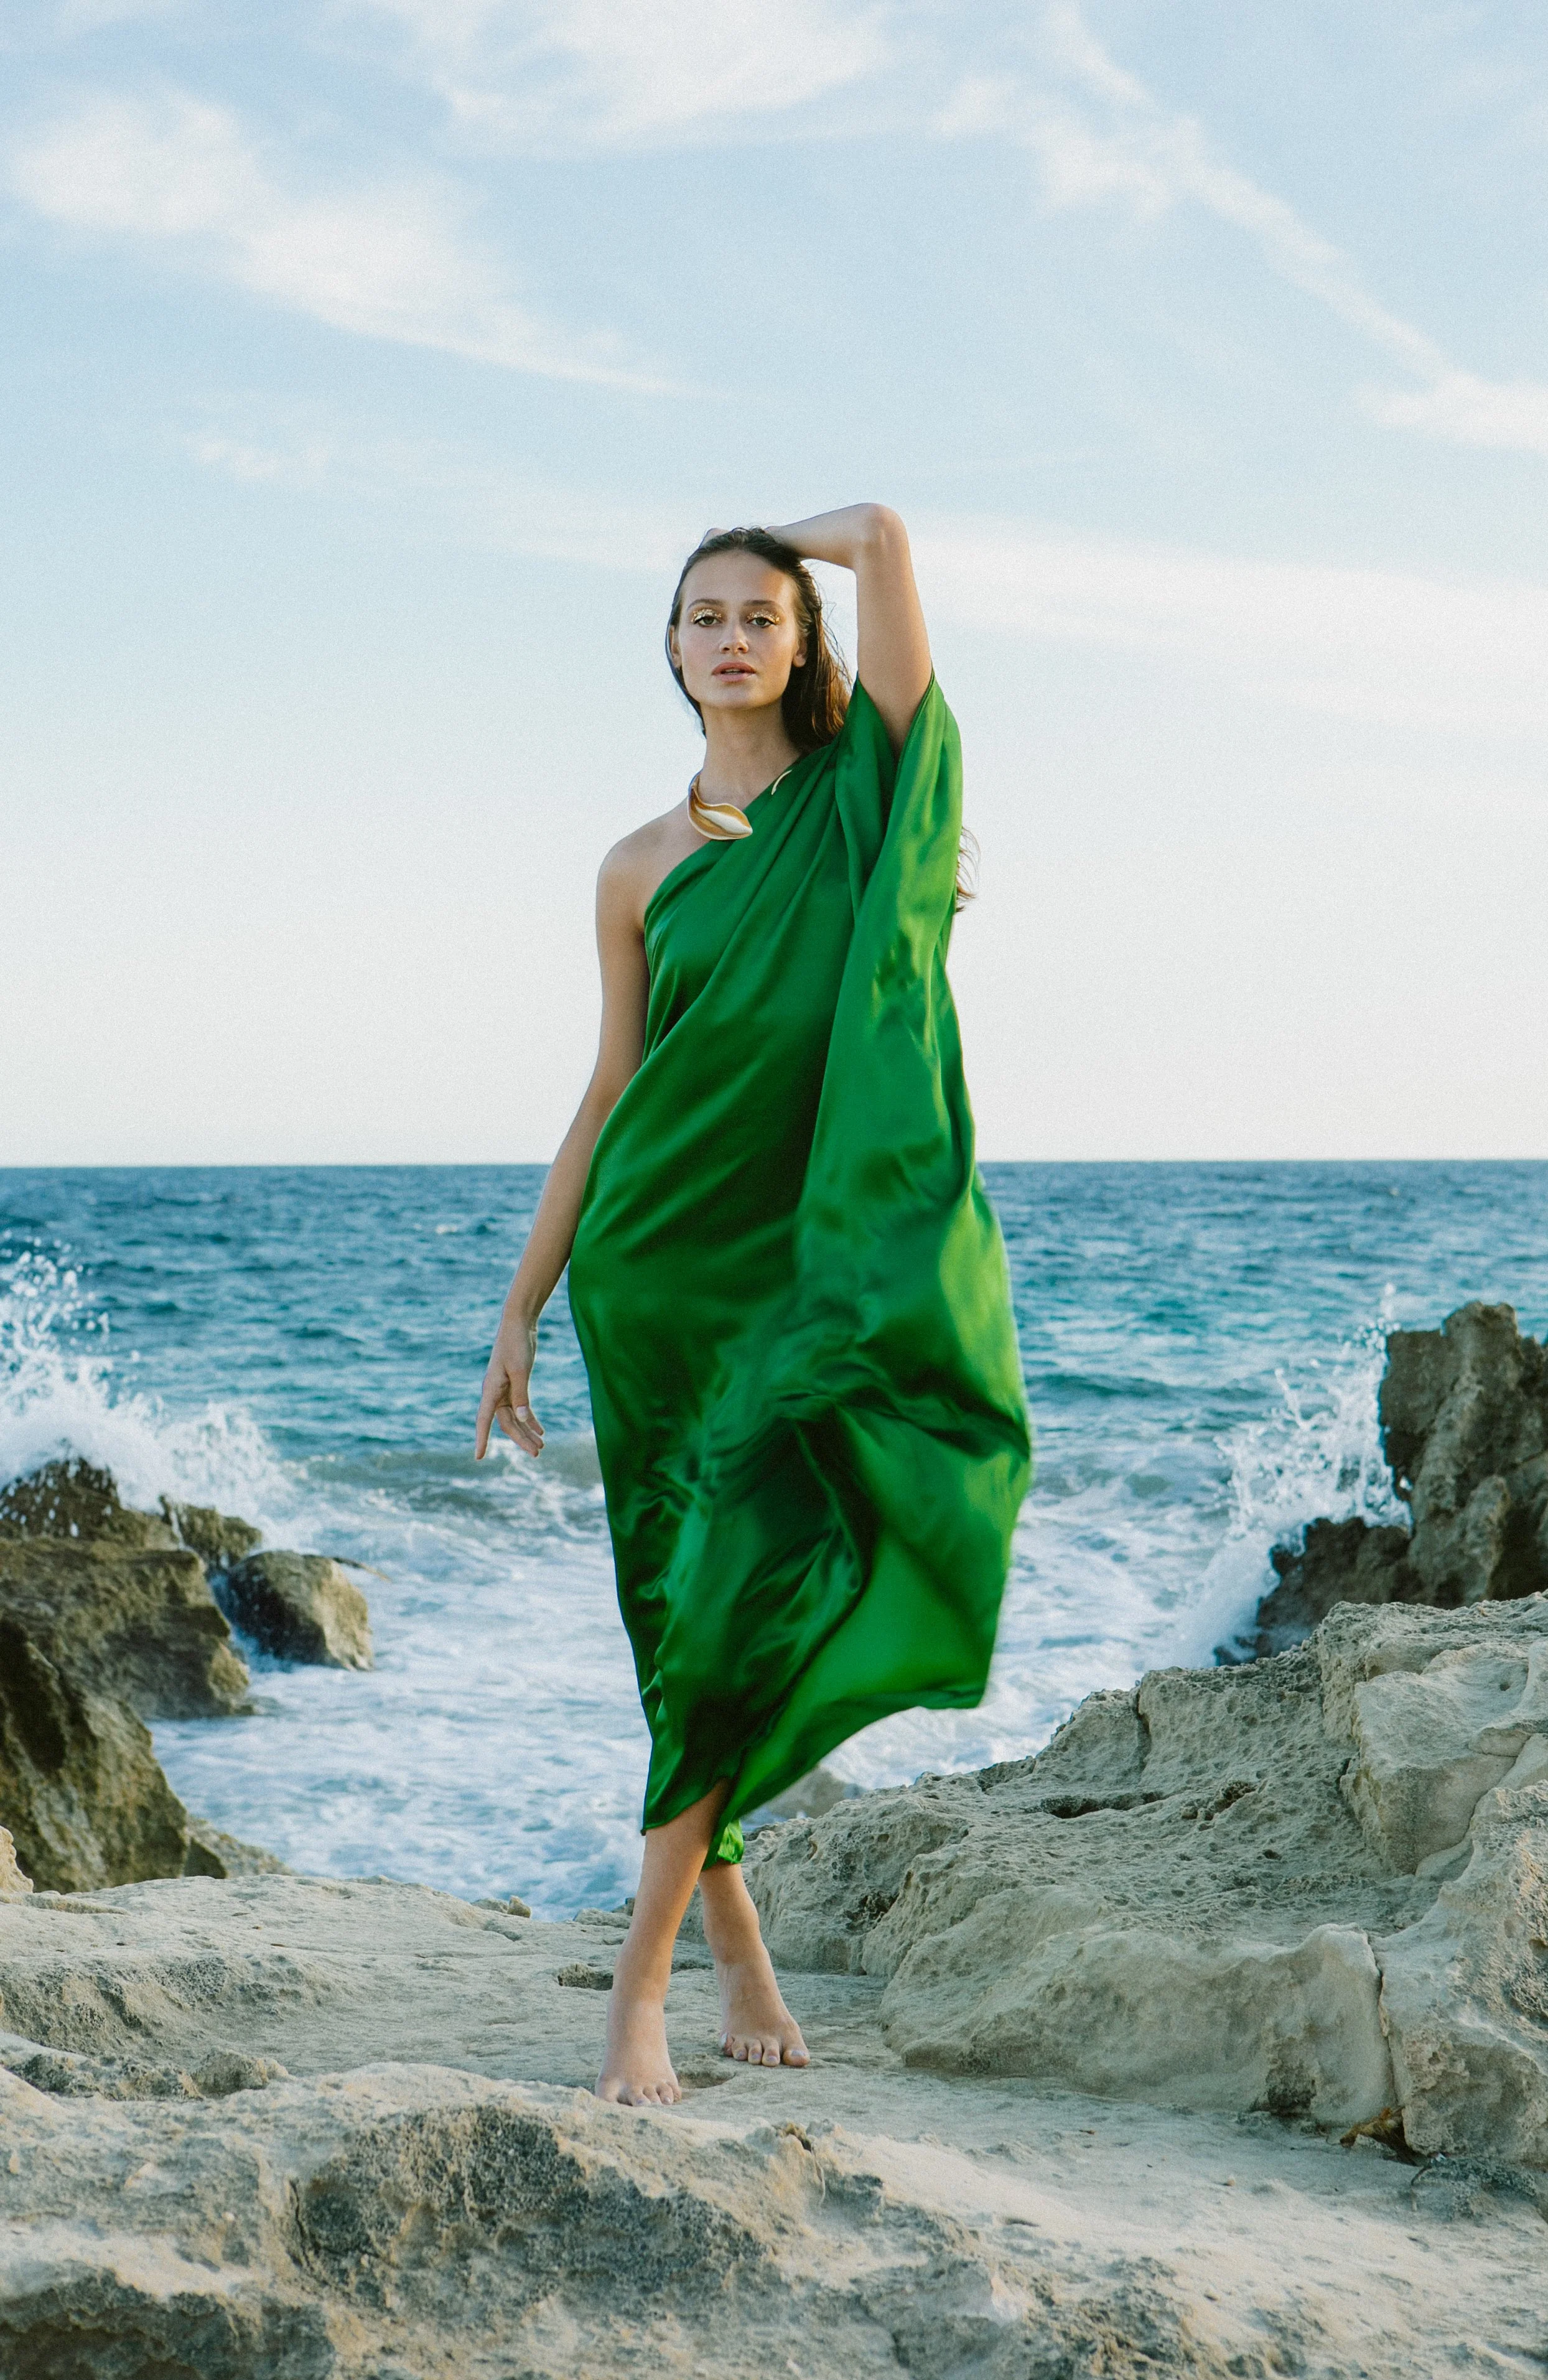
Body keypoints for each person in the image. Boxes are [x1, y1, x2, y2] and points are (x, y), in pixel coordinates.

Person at [475, 505, 1030, 2106]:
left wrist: (828, 535)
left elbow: (900, 600)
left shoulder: (860, 793)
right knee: (679, 1612)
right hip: (650, 1270)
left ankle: (640, 1984)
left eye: (760, 614)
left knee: (732, 1598)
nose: (730, 634)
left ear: (801, 642)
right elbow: (605, 1090)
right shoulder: (636, 864)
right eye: (702, 612)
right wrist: (522, 1304)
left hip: (805, 1269)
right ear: (668, 647)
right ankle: (728, 1955)